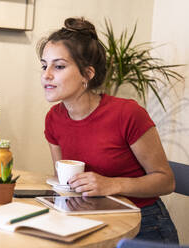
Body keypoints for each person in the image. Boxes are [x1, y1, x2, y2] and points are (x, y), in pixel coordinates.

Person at [38, 17, 178, 243]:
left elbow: (166, 181)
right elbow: (62, 179)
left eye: (59, 66)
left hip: (144, 225)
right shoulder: (53, 119)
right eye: (44, 65)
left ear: (87, 74)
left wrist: (112, 184)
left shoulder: (127, 114)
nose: (46, 75)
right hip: (90, 220)